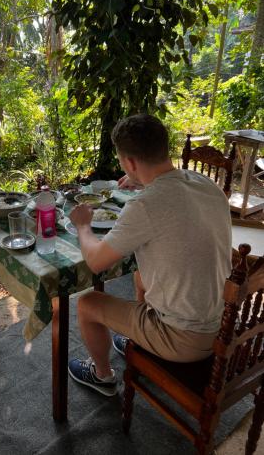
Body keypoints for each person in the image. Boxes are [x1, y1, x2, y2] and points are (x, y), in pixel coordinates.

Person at [68, 113, 232, 397]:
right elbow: (174, 203)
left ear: (130, 163)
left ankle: (103, 375)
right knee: (141, 274)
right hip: (221, 321)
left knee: (87, 303)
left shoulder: (145, 206)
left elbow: (95, 263)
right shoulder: (205, 184)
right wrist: (143, 182)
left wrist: (83, 224)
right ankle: (140, 338)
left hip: (184, 338)